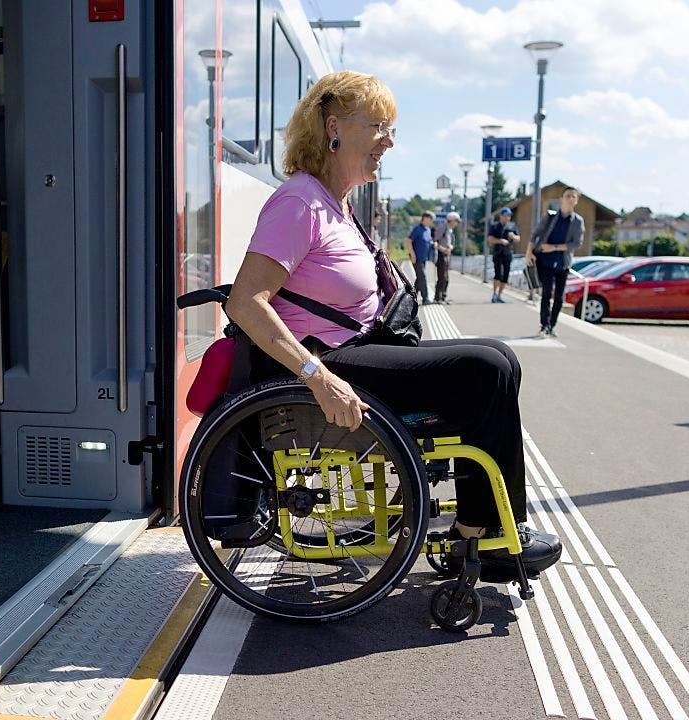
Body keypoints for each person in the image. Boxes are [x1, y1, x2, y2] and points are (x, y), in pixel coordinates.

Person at [224, 70, 561, 579]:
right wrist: (319, 377)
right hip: (329, 364)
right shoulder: (298, 202)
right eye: (379, 126)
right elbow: (245, 302)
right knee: (485, 368)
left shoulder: (335, 203)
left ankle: (484, 530)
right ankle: (487, 536)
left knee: (500, 360)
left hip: (357, 351)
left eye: (392, 129)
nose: (389, 141)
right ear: (334, 127)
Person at [526, 187, 584, 336]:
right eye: (567, 196)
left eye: (573, 196)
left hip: (563, 263)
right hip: (546, 262)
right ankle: (544, 325)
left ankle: (552, 325)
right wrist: (528, 252)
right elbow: (535, 234)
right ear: (561, 199)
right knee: (546, 294)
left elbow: (576, 243)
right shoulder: (551, 217)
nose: (570, 198)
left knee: (559, 297)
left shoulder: (578, 221)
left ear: (576, 201)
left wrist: (554, 247)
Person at [488, 207, 520, 303]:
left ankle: (499, 295)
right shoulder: (495, 226)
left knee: (505, 275)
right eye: (505, 216)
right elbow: (490, 239)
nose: (507, 218)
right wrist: (500, 241)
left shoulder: (512, 227)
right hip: (498, 253)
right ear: (501, 216)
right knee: (498, 274)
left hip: (508, 253)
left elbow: (518, 239)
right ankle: (494, 294)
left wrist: (513, 236)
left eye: (509, 216)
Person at [406, 211, 435, 304]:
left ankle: (411, 297)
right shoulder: (418, 229)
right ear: (424, 219)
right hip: (417, 258)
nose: (431, 221)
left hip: (423, 259)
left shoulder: (428, 230)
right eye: (430, 219)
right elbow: (408, 241)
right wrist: (412, 254)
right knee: (423, 277)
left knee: (419, 279)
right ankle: (425, 299)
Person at [432, 211, 459, 303]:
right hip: (441, 254)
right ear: (451, 220)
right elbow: (435, 241)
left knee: (446, 277)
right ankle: (438, 297)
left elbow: (451, 243)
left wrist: (450, 247)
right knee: (442, 277)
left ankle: (443, 296)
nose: (457, 223)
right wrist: (443, 249)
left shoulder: (450, 229)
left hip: (446, 255)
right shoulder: (442, 227)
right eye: (456, 221)